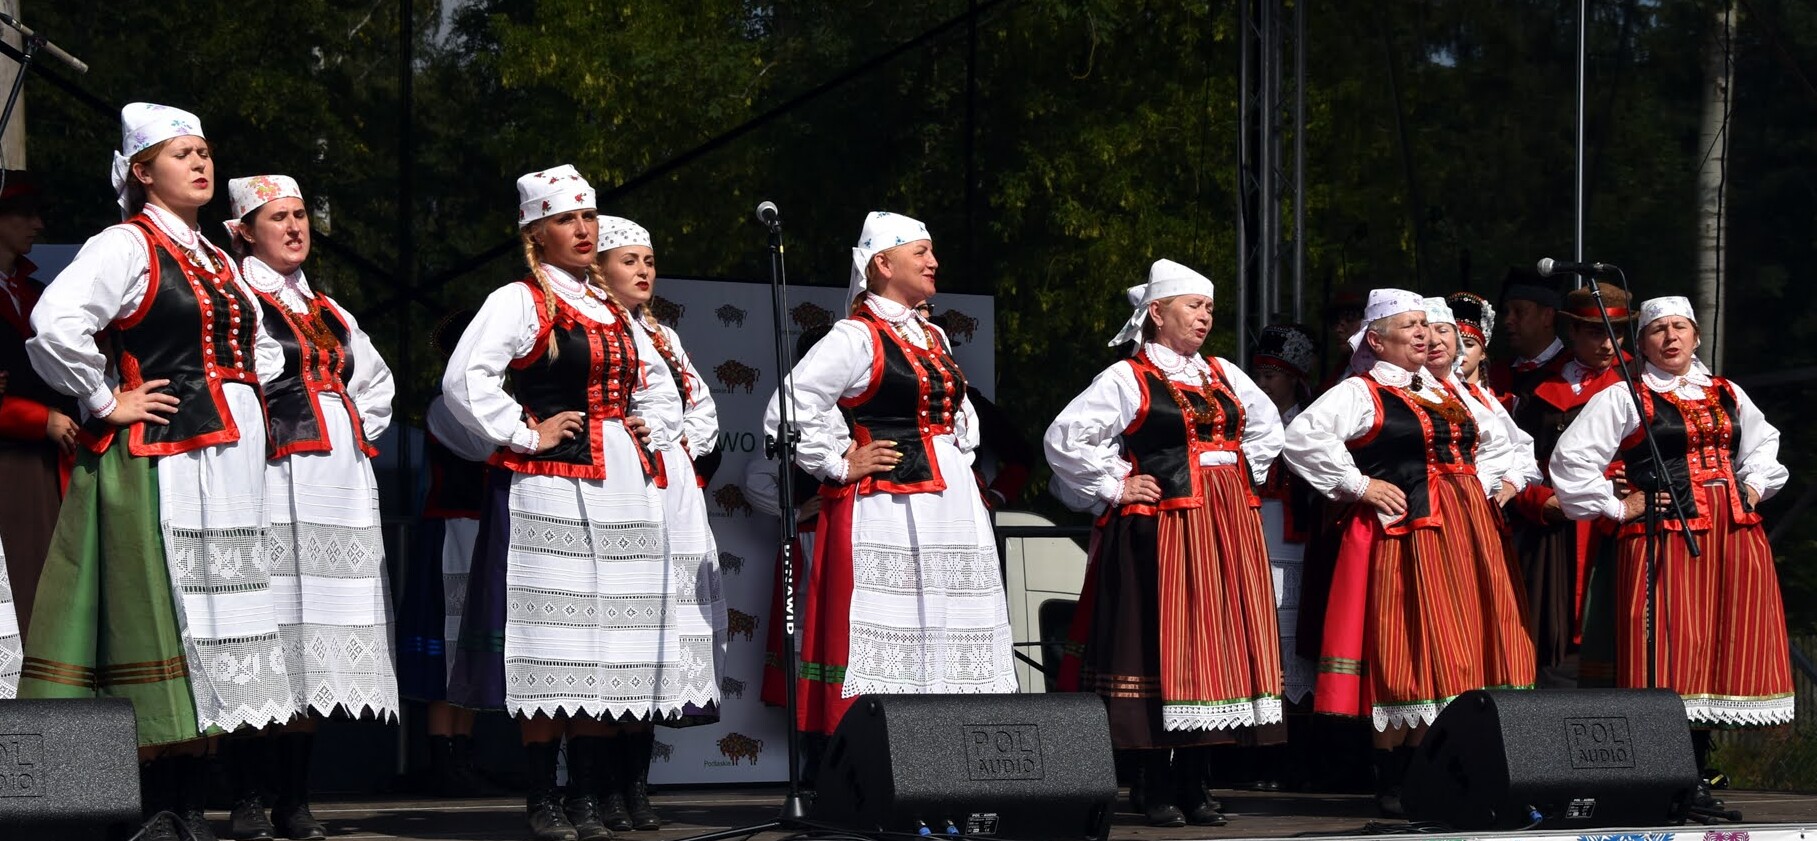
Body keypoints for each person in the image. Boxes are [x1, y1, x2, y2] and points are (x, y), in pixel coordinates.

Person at [23, 103, 296, 841]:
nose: (202, 164)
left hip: (224, 464)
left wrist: (241, 390)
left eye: (206, 151)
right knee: (151, 621)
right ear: (142, 171)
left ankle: (185, 803)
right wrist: (105, 397)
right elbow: (56, 322)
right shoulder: (126, 244)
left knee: (207, 629)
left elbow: (262, 350)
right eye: (183, 154)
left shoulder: (217, 258)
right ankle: (129, 807)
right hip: (162, 464)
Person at [441, 165, 690, 841]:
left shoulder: (612, 308)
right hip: (549, 484)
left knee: (608, 640)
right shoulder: (519, 300)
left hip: (621, 487)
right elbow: (465, 379)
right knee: (553, 641)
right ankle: (541, 794)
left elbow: (662, 389)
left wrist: (651, 426)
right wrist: (525, 431)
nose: (582, 230)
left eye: (587, 218)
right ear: (535, 233)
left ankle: (586, 793)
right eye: (565, 220)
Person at [1045, 260, 1284, 827]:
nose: (1204, 317)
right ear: (1156, 313)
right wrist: (1115, 484)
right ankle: (1152, 784)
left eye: (1208, 308)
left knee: (1209, 647)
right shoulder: (1128, 377)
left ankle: (1196, 781)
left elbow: (1269, 423)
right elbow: (1065, 437)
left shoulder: (1222, 372)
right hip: (1162, 528)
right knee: (1158, 645)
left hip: (1224, 526)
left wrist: (1236, 471)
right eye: (1192, 307)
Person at [763, 211, 1016, 739]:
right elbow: (791, 405)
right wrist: (839, 462)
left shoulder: (933, 336)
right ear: (882, 263)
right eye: (921, 252)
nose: (934, 262)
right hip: (890, 503)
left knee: (949, 619)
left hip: (950, 499)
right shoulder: (856, 336)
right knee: (897, 620)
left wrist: (958, 453)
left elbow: (958, 415)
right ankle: (883, 762)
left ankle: (945, 764)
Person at [1283, 288, 1534, 817]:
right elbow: (1303, 438)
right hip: (1409, 532)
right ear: (1376, 339)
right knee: (1407, 643)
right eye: (1411, 326)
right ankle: (1392, 776)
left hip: (1464, 530)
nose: (1425, 333)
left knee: (1457, 643)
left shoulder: (1450, 392)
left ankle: (1440, 767)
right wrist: (1358, 485)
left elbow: (1499, 442)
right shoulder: (1362, 391)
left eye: (1426, 325)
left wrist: (1487, 483)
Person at [1550, 296, 1792, 782]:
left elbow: (1765, 443)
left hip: (1732, 534)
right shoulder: (1626, 396)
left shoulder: (1726, 392)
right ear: (1641, 344)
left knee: (1718, 645)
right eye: (1658, 330)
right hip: (1663, 536)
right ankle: (1669, 773)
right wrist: (1620, 505)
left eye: (1680, 328)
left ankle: (1701, 770)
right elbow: (1571, 458)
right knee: (1670, 646)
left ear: (1697, 337)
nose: (1671, 338)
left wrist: (1751, 485)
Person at [224, 174, 398, 841]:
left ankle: (294, 796)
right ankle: (245, 795)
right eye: (278, 218)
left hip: (334, 482)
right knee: (260, 629)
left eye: (300, 216)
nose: (295, 227)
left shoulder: (328, 308)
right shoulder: (238, 294)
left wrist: (353, 424)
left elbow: (375, 382)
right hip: (267, 474)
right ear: (244, 231)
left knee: (311, 643)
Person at [592, 213, 727, 831]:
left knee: (661, 636)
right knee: (616, 634)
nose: (644, 271)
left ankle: (633, 783)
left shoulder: (664, 335)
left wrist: (675, 436)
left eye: (649, 261)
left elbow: (702, 410)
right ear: (598, 267)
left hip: (672, 486)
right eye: (630, 261)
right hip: (622, 482)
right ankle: (593, 786)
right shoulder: (593, 329)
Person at [1505, 282, 1635, 687]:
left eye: (1616, 333)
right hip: (1553, 533)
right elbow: (1510, 457)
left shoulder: (1642, 383)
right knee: (1547, 641)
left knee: (1617, 633)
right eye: (1596, 333)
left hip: (1619, 529)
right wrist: (1536, 500)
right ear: (1572, 332)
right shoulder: (1536, 386)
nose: (1608, 345)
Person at [397, 307, 500, 798]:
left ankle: (463, 753)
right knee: (447, 642)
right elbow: (488, 449)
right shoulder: (444, 406)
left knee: (471, 643)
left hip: (483, 532)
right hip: (450, 531)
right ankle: (443, 756)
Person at [0, 170, 74, 675]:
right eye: (24, 213)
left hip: (41, 458)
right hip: (11, 456)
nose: (37, 223)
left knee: (44, 588)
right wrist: (33, 417)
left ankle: (45, 725)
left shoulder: (36, 292)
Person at [1488, 268, 1565, 411]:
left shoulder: (1571, 371)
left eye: (1519, 312)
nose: (1508, 320)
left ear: (1547, 316)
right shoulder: (1495, 375)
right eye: (1506, 312)